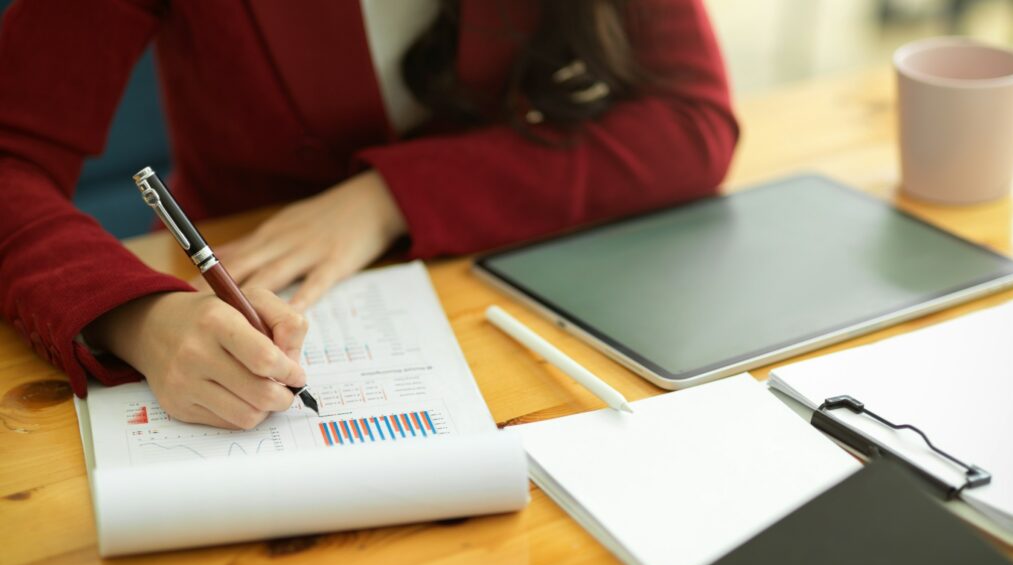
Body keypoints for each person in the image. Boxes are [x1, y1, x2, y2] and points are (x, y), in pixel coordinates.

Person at [0, 0, 738, 429]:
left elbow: (691, 118)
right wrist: (140, 319)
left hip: (480, 286)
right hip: (231, 288)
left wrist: (389, 198)